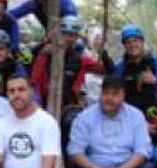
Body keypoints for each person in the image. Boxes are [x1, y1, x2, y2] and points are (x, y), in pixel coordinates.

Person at [67, 75, 154, 168]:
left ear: (123, 96)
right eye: (106, 93)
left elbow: (144, 150)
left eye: (115, 94)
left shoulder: (136, 115)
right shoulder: (85, 117)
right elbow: (75, 151)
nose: (109, 98)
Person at [31, 16, 112, 150]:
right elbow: (34, 82)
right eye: (65, 34)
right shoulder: (45, 55)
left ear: (76, 38)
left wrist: (102, 51)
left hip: (70, 107)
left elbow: (106, 70)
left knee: (72, 126)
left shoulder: (80, 59)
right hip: (45, 105)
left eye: (72, 35)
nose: (68, 39)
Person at [113, 24, 157, 140]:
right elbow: (116, 98)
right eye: (128, 42)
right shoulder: (121, 68)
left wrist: (154, 81)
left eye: (135, 41)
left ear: (142, 42)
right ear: (124, 46)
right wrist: (139, 124)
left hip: (155, 114)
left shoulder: (153, 63)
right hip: (130, 117)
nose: (132, 45)